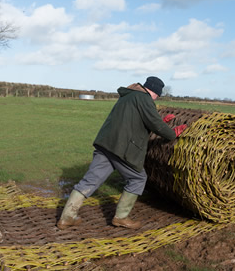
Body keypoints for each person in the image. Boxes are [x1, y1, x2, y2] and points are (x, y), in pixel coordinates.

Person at [57, 76, 187, 230]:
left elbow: (137, 121)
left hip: (106, 144)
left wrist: (160, 122)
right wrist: (172, 133)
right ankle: (121, 217)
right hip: (122, 148)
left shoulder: (129, 96)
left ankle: (67, 218)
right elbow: (155, 124)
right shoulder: (144, 98)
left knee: (90, 181)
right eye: (157, 95)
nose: (156, 98)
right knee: (138, 178)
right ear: (154, 91)